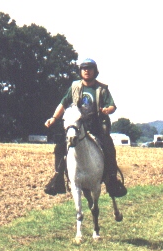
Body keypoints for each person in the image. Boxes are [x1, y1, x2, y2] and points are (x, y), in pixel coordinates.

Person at [44, 58, 127, 197]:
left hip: (97, 127)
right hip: (77, 125)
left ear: (95, 71)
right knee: (59, 147)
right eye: (84, 68)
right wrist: (53, 118)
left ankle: (112, 180)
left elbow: (113, 106)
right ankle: (57, 179)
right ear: (80, 71)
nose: (87, 71)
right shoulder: (74, 87)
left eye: (89, 68)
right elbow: (63, 104)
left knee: (109, 146)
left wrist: (107, 110)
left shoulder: (102, 88)